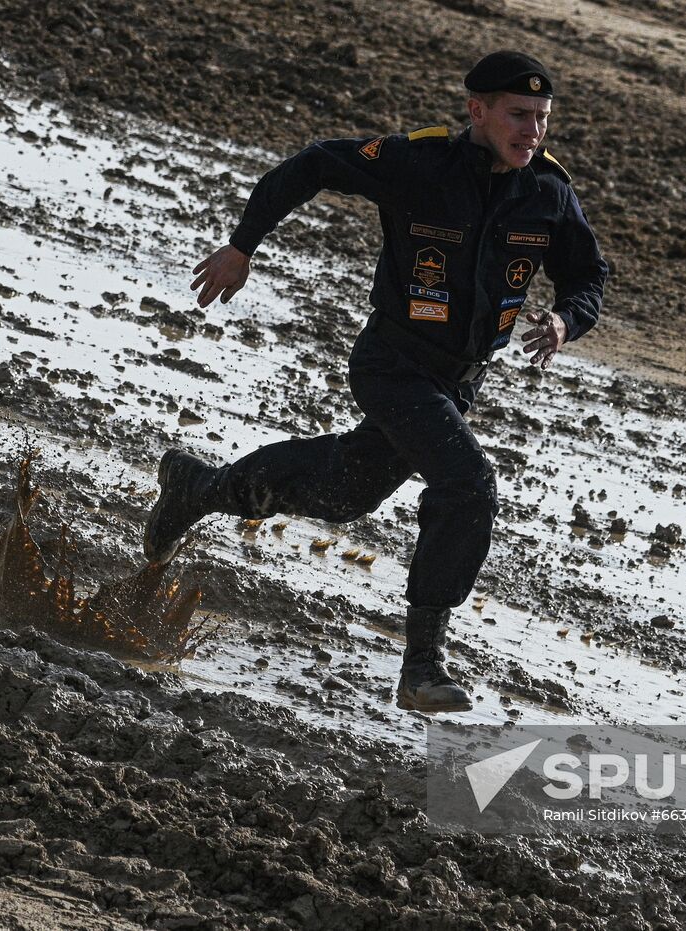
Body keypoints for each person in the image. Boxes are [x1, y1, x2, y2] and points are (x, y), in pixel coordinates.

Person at [145, 50, 610, 714]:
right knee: (468, 482)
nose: (532, 131)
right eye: (518, 115)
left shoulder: (549, 194)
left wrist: (567, 320)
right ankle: (421, 664)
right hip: (392, 363)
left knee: (344, 492)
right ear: (477, 111)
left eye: (541, 118)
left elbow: (589, 276)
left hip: (457, 383)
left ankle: (199, 489)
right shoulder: (418, 163)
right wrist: (242, 245)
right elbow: (313, 164)